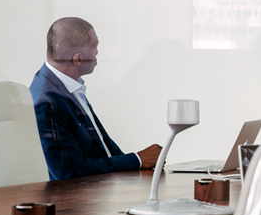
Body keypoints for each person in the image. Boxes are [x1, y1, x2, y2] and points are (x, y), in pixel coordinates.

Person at [30, 17, 162, 181]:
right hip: (77, 200)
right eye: (95, 47)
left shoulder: (66, 86)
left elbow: (103, 146)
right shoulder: (47, 102)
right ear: (78, 59)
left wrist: (138, 163)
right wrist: (137, 159)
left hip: (101, 188)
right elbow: (70, 172)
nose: (98, 52)